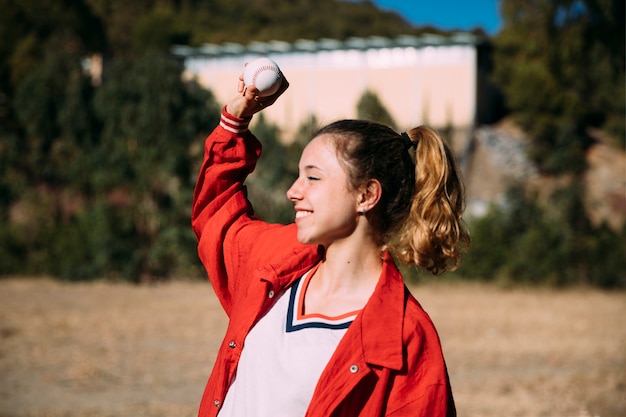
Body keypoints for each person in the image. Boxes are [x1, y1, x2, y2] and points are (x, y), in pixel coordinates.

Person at [191, 64, 470, 417]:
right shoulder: (274, 262)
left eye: (313, 178)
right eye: (298, 176)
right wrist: (233, 124)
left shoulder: (406, 337)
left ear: (367, 195)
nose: (293, 192)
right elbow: (217, 214)